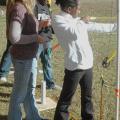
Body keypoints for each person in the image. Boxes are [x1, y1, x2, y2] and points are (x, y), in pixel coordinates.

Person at [52, 0, 117, 120]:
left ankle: (88, 117)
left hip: (87, 66)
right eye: (78, 7)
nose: (80, 10)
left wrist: (115, 27)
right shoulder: (57, 19)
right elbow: (73, 34)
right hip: (74, 68)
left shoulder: (76, 20)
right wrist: (81, 21)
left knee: (87, 97)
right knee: (66, 100)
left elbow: (98, 27)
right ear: (69, 9)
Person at [6, 0, 49, 120]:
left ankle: (33, 117)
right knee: (19, 93)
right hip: (22, 59)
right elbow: (14, 37)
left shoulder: (25, 7)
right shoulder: (19, 9)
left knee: (29, 90)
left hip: (29, 57)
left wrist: (40, 25)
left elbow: (26, 29)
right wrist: (35, 37)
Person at [34, 0, 55, 89]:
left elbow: (51, 25)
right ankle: (31, 84)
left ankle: (49, 83)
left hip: (47, 41)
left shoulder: (47, 8)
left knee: (47, 62)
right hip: (37, 41)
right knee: (33, 63)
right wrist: (43, 24)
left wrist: (52, 25)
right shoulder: (34, 7)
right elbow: (32, 25)